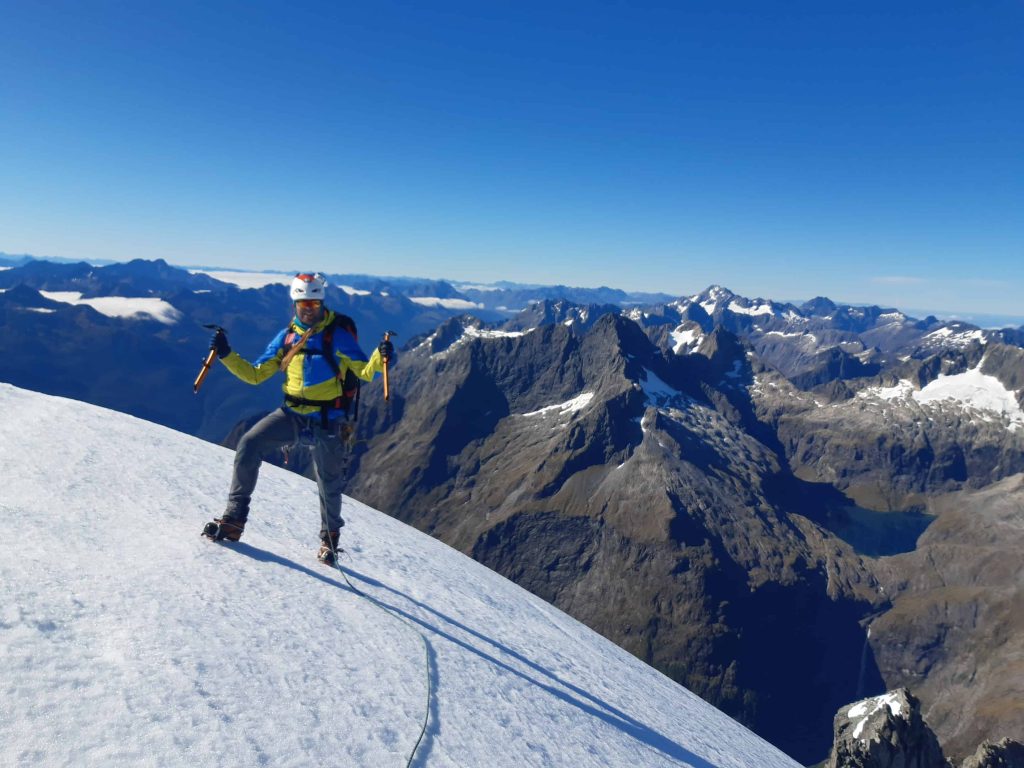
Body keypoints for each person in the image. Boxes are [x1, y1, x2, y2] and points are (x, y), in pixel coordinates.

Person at [202, 272, 394, 565]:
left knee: (328, 481)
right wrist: (227, 354)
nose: (308, 310)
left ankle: (329, 542)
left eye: (314, 305)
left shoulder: (337, 336)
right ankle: (233, 520)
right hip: (291, 413)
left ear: (321, 303)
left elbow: (364, 372)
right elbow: (255, 375)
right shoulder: (287, 337)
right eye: (303, 304)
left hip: (329, 418)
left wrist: (380, 358)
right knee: (249, 444)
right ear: (295, 304)